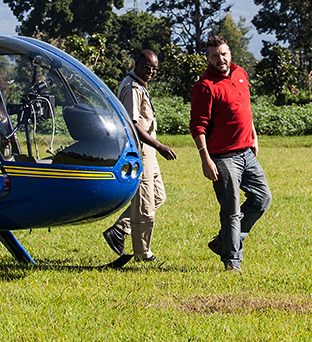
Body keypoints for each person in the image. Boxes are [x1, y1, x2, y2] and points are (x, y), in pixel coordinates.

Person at [189, 35, 271, 271]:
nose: (220, 59)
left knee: (262, 198)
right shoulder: (205, 86)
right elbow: (198, 126)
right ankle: (232, 261)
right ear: (208, 58)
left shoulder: (241, 74)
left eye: (223, 53)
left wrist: (253, 134)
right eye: (214, 55)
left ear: (230, 53)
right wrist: (205, 159)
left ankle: (225, 241)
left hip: (247, 152)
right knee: (231, 210)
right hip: (223, 157)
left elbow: (245, 106)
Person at [102, 49, 176, 262]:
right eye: (147, 67)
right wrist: (159, 145)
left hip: (149, 153)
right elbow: (132, 125)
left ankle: (120, 228)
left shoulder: (140, 84)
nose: (151, 72)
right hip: (141, 151)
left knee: (158, 196)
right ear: (136, 64)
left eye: (154, 69)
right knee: (144, 205)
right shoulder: (133, 88)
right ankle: (143, 254)